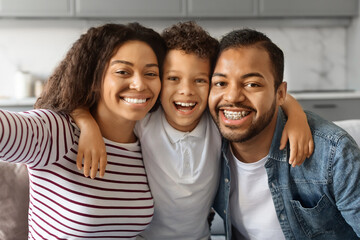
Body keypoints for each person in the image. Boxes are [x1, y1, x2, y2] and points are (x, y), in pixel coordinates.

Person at [73, 22, 313, 240]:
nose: (186, 91)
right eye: (173, 78)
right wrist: (87, 125)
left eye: (200, 80)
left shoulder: (216, 121)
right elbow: (74, 102)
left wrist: (296, 115)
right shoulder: (144, 119)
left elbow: (270, 95)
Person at [0, 22, 166, 239]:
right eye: (123, 71)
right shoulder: (57, 132)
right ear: (93, 79)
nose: (139, 84)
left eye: (151, 73)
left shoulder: (148, 138)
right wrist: (84, 121)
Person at [210, 28, 360, 239]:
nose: (233, 96)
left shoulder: (334, 154)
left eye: (252, 84)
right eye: (221, 83)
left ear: (280, 93)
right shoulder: (206, 144)